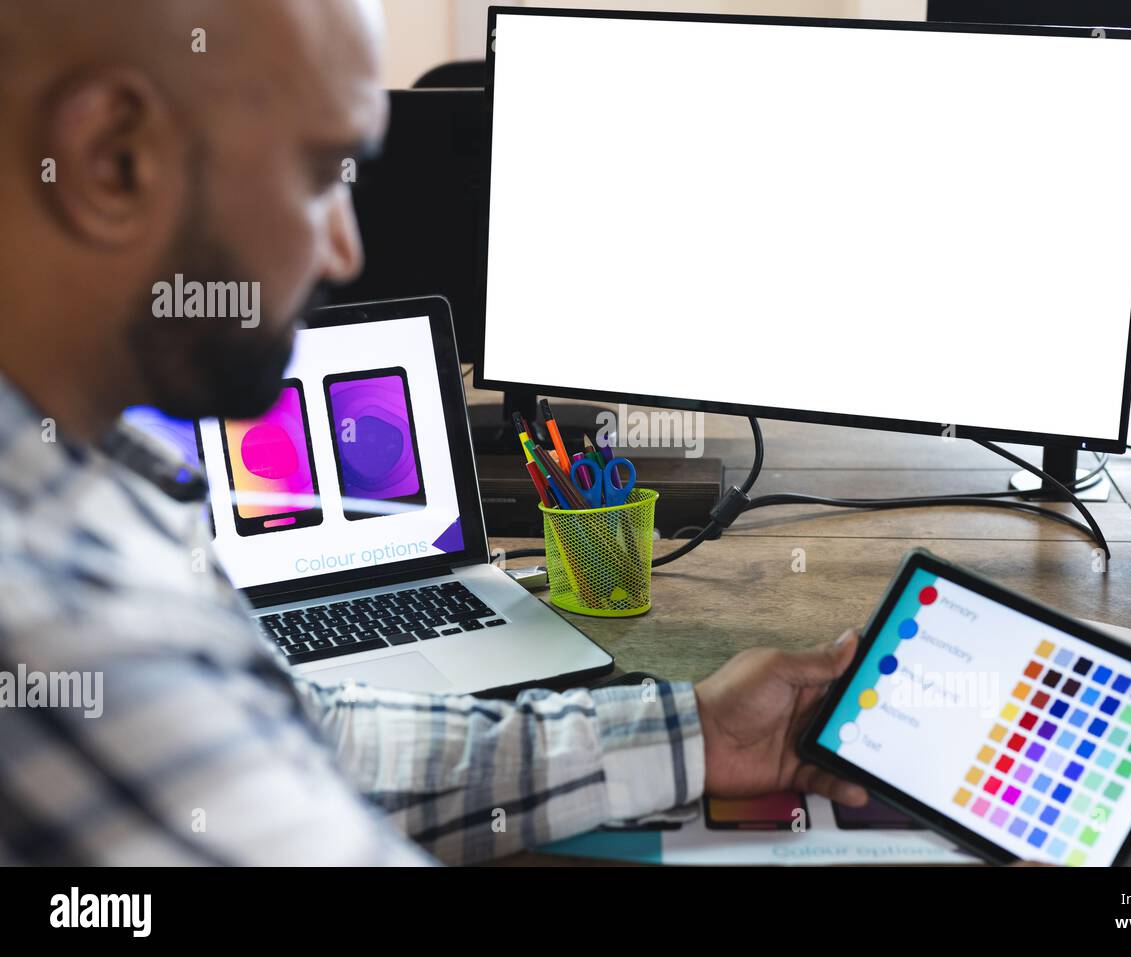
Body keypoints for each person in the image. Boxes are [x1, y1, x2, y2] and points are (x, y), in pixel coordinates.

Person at [0, 0, 867, 865]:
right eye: (317, 175)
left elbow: (301, 737)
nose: (344, 251)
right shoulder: (56, 619)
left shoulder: (91, 479)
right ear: (110, 160)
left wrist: (699, 733)